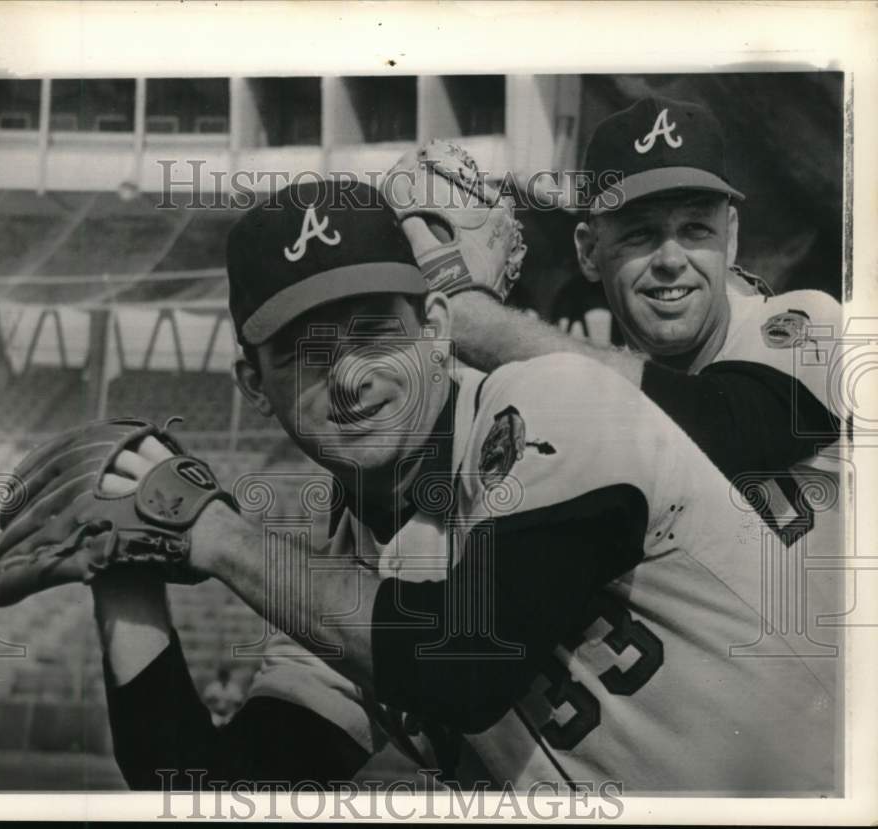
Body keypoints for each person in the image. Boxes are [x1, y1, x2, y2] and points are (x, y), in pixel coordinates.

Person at [89, 180, 835, 794]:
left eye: (374, 330)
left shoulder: (552, 403)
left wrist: (214, 534)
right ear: (254, 386)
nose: (350, 376)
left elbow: (466, 661)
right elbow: (216, 793)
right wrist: (120, 565)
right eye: (302, 353)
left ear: (437, 327)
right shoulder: (340, 594)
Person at [397, 98, 845, 511]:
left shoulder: (812, 325)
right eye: (640, 233)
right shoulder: (592, 409)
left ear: (730, 238)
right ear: (589, 252)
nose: (671, 260)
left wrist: (473, 319)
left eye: (695, 229)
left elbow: (726, 428)